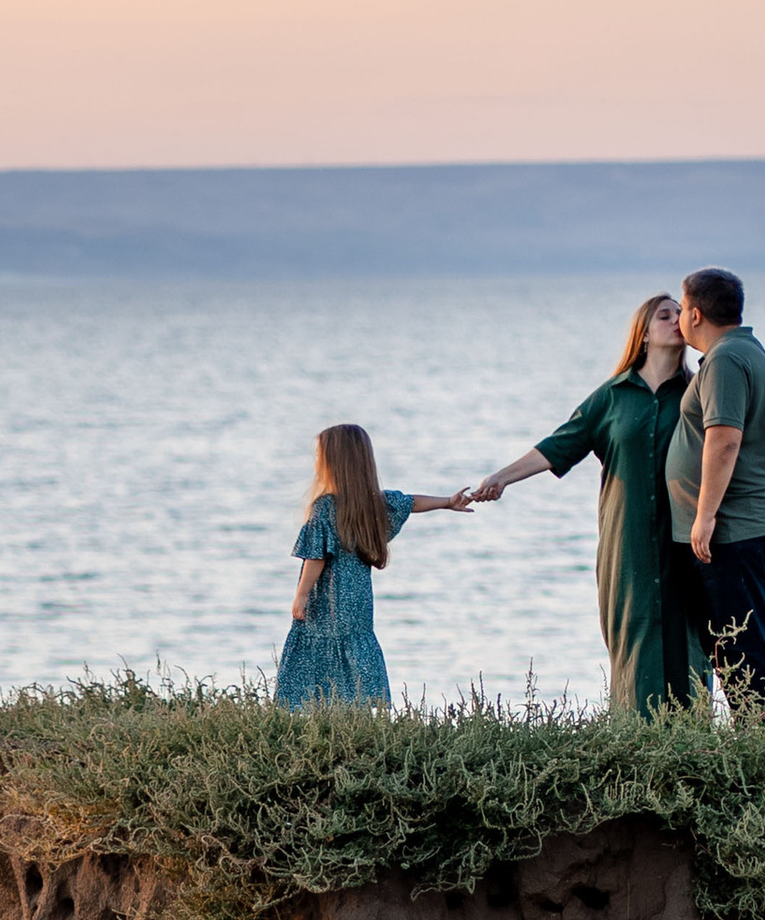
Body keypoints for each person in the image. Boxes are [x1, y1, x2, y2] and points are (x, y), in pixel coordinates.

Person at [467, 292, 708, 715]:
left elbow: (735, 437)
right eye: (664, 315)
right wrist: (501, 478)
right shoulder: (612, 397)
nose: (676, 321)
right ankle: (633, 754)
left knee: (688, 646)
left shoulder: (697, 393)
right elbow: (558, 445)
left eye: (680, 315)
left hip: (686, 544)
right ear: (644, 335)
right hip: (627, 545)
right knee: (634, 648)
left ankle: (692, 756)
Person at [274, 422, 470, 710]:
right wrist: (447, 502)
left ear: (333, 462)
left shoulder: (325, 507)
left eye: (320, 455)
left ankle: (322, 711)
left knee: (321, 650)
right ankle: (360, 706)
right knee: (355, 649)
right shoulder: (373, 503)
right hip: (358, 603)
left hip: (327, 601)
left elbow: (316, 557)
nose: (317, 461)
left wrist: (301, 594)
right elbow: (410, 502)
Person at [671, 267, 765, 709]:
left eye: (681, 309)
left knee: (744, 646)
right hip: (750, 525)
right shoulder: (749, 352)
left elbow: (724, 439)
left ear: (696, 314)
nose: (680, 317)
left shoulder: (725, 359)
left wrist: (704, 516)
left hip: (739, 529)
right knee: (734, 644)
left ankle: (761, 749)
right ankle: (756, 741)